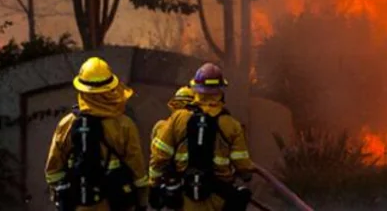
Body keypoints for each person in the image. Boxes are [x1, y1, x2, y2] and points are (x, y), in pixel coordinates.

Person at [45, 57, 150, 211]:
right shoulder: (124, 125)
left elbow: (52, 172)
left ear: (81, 90)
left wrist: (61, 198)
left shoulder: (67, 124)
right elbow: (138, 170)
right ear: (110, 89)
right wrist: (142, 203)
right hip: (115, 203)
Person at [149, 63, 255, 211]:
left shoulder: (178, 118)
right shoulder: (231, 125)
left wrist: (154, 184)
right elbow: (243, 166)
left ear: (195, 90)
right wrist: (246, 175)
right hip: (218, 200)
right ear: (220, 91)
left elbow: (160, 156)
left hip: (184, 199)